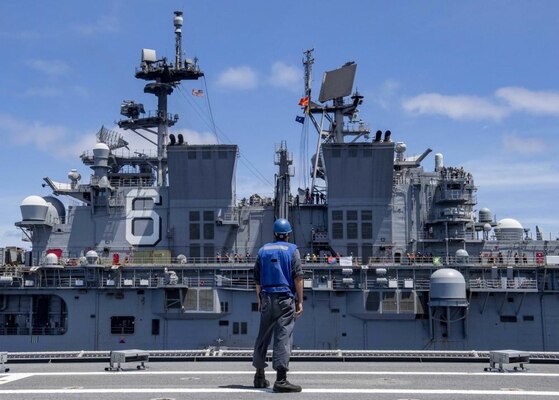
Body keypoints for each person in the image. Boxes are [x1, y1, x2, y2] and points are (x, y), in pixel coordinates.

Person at [252, 218, 303, 392]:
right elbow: (298, 277)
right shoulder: (292, 250)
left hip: (266, 297)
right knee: (283, 336)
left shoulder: (263, 250)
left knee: (263, 336)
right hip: (284, 298)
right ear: (288, 234)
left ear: (274, 233)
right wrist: (300, 301)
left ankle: (259, 376)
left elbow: (257, 279)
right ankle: (281, 380)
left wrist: (259, 299)